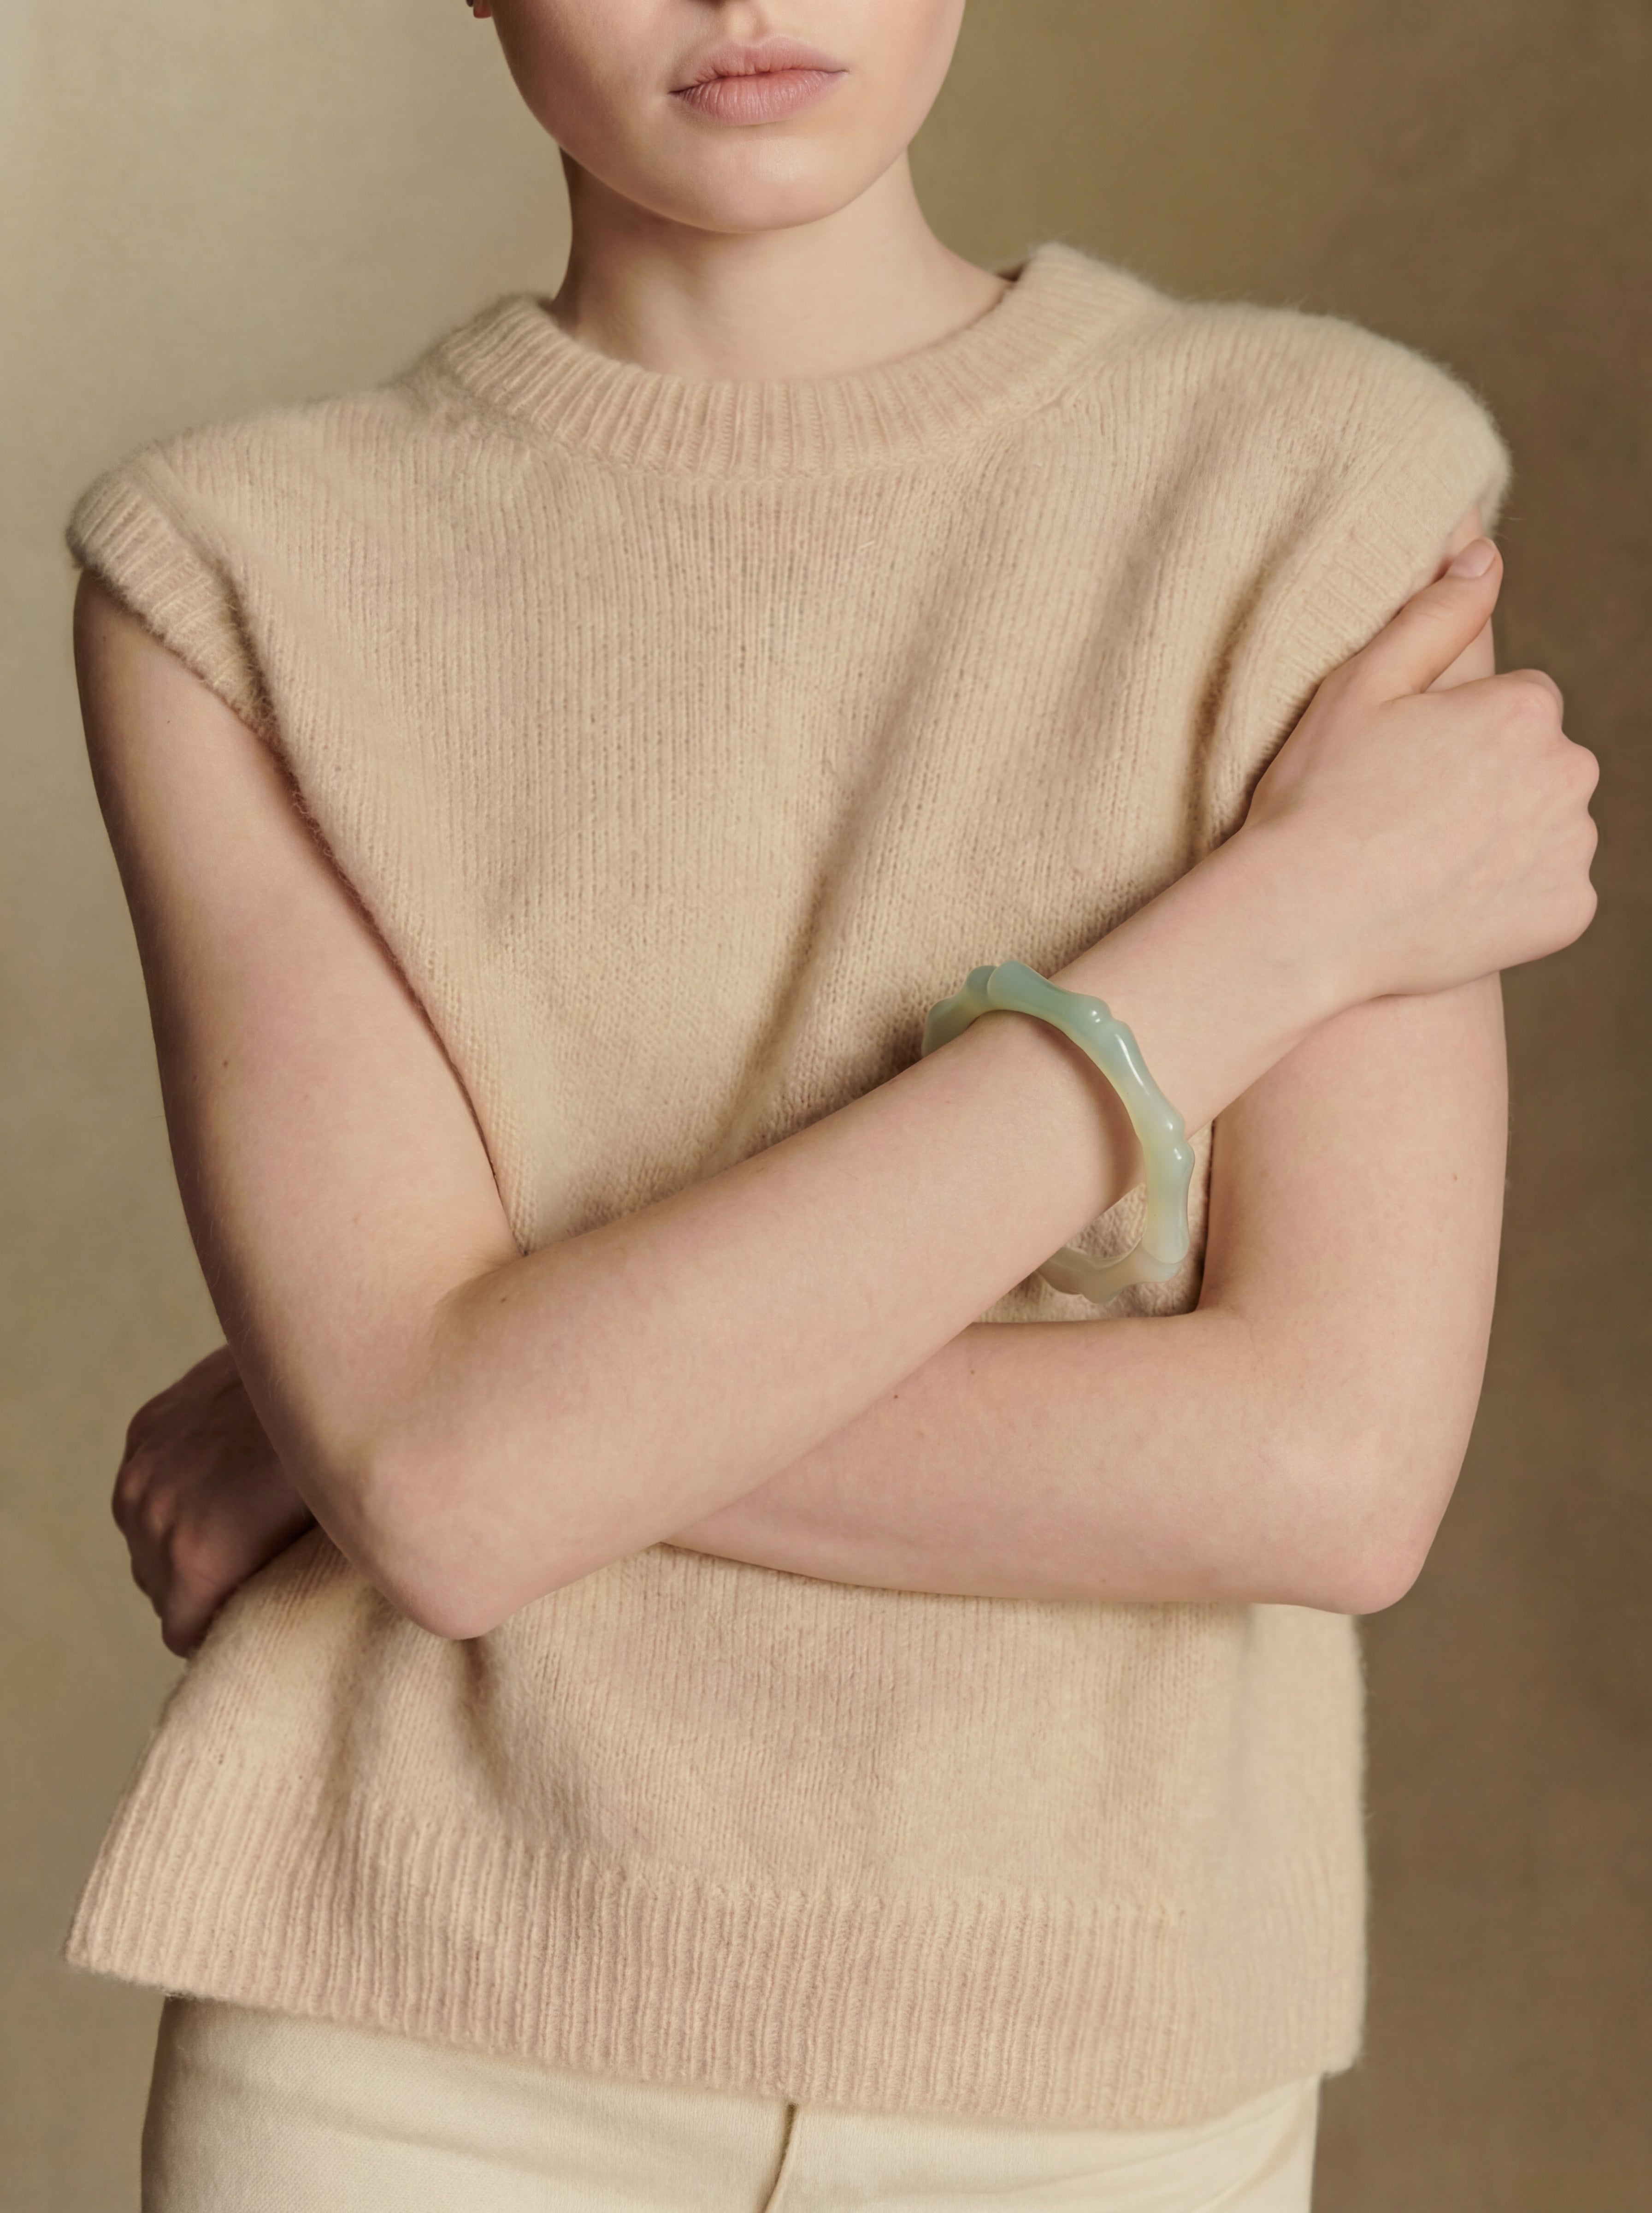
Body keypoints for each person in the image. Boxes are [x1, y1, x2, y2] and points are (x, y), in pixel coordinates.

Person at [66, 3, 1597, 2207]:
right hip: (410, 2054)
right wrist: (1275, 929)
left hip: (1105, 2078)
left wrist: (466, 1408)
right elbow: (452, 1492)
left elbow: (1326, 1470)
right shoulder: (230, 573)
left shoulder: (1315, 491)